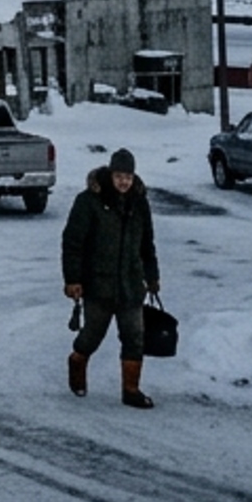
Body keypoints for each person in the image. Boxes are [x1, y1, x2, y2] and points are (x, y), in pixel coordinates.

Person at [61, 148, 161, 407]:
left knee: (134, 336)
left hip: (131, 284)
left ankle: (131, 390)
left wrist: (152, 276)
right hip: (98, 284)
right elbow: (73, 242)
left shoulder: (139, 202)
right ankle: (77, 361)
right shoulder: (88, 201)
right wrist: (73, 279)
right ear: (110, 174)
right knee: (92, 336)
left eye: (128, 176)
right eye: (119, 176)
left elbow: (147, 244)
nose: (124, 182)